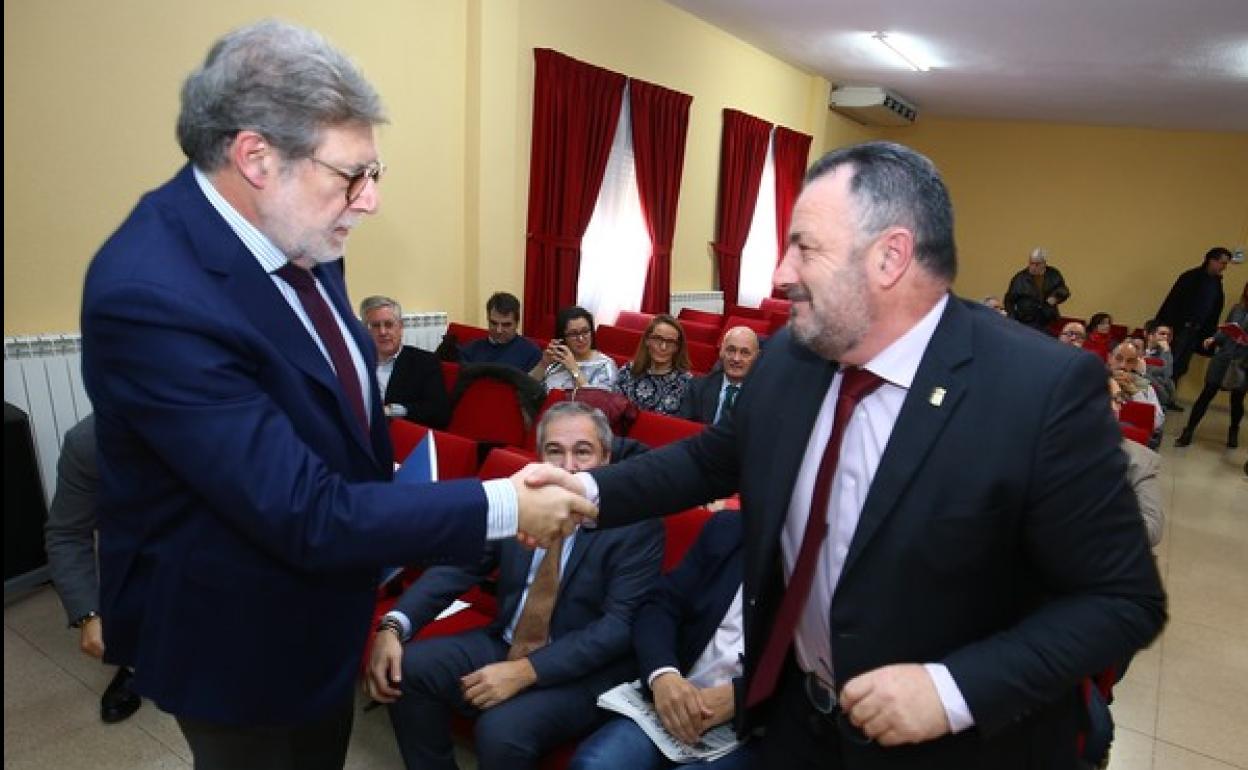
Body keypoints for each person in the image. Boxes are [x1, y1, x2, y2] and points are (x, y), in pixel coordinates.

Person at [532, 142, 1165, 768]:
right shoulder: (790, 358)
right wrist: (583, 493)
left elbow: (1121, 600)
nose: (781, 273)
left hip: (956, 749)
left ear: (890, 256)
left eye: (804, 247)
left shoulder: (1040, 390)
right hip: (794, 722)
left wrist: (952, 691)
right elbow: (706, 463)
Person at [79, 21, 592, 770]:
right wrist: (505, 504)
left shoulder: (303, 230)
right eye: (353, 174)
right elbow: (303, 509)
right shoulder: (151, 292)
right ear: (255, 156)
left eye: (375, 171)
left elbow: (339, 409)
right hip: (235, 635)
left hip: (328, 602)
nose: (371, 200)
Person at [369, 402, 664, 770]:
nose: (568, 466)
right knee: (408, 667)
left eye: (583, 452)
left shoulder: (636, 523)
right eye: (554, 451)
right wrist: (395, 623)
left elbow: (616, 627)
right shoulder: (521, 499)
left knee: (500, 731)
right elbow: (460, 568)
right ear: (539, 456)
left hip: (584, 672)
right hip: (506, 640)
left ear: (605, 457)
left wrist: (526, 671)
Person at [568, 509, 755, 770]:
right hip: (675, 695)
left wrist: (739, 697)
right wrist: (663, 674)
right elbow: (660, 605)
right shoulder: (730, 529)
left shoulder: (824, 568)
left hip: (752, 728)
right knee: (596, 765)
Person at [43, 414, 143, 724]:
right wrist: (88, 614)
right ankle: (133, 665)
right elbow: (67, 534)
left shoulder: (228, 417)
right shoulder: (88, 443)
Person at [1175, 280, 1248, 448]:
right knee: (1207, 393)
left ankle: (1234, 430)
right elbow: (1226, 329)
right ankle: (1188, 431)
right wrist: (1214, 338)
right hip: (1223, 357)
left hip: (1242, 362)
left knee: (1237, 399)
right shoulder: (1237, 308)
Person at [361, 295, 451, 428]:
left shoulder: (425, 363)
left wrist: (400, 411)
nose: (383, 332)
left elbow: (439, 413)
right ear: (364, 331)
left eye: (389, 324)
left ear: (401, 327)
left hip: (401, 436)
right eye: (375, 326)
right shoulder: (355, 362)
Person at [1156, 247, 1233, 394]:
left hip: (1196, 331)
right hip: (1180, 328)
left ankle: (1169, 396)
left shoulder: (1216, 283)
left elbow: (1213, 309)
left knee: (1181, 365)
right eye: (1222, 263)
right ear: (1212, 260)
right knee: (1168, 362)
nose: (1224, 267)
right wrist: (1168, 328)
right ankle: (1159, 396)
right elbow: (1173, 303)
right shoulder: (1191, 277)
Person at [1108, 378, 1164, 546]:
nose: (1112, 407)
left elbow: (1152, 528)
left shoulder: (1138, 460)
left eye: (1117, 399)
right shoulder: (1044, 446)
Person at [678, 326, 760, 425]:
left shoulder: (765, 396)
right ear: (721, 352)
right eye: (731, 350)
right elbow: (683, 429)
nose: (736, 359)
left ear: (757, 357)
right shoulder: (697, 387)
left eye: (745, 353)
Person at [615, 314, 694, 416]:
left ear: (677, 348)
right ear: (647, 340)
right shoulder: (628, 371)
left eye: (670, 342)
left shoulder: (687, 383)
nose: (663, 347)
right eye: (658, 339)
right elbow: (614, 411)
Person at [531, 305, 619, 391]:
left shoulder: (605, 365)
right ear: (563, 337)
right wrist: (543, 364)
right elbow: (526, 388)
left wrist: (574, 369)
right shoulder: (557, 359)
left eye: (585, 331)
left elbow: (599, 401)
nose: (581, 339)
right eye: (573, 334)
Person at [460, 292, 543, 372]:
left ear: (517, 323)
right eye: (494, 323)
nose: (499, 330)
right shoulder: (470, 350)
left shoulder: (532, 353)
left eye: (506, 325)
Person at [1003, 247, 1070, 330]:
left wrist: (1055, 297)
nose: (1033, 267)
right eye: (1031, 263)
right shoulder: (1019, 278)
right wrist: (1012, 319)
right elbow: (1009, 300)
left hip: (1048, 320)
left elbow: (1064, 290)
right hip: (1026, 321)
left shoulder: (1053, 274)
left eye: (1037, 264)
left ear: (1044, 263)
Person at [1109, 341, 1165, 434]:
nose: (1123, 365)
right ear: (1110, 358)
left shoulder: (1144, 385)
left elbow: (1156, 422)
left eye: (1130, 361)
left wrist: (1135, 392)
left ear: (1135, 364)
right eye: (1118, 358)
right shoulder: (1096, 378)